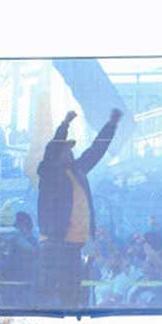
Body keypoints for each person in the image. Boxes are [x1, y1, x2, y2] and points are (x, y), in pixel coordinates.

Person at [36, 108, 123, 309]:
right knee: (53, 294)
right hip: (56, 244)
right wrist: (64, 124)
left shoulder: (77, 170)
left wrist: (111, 126)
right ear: (58, 154)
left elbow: (96, 150)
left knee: (73, 293)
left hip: (75, 246)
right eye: (66, 149)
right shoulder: (50, 173)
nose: (70, 152)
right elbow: (51, 151)